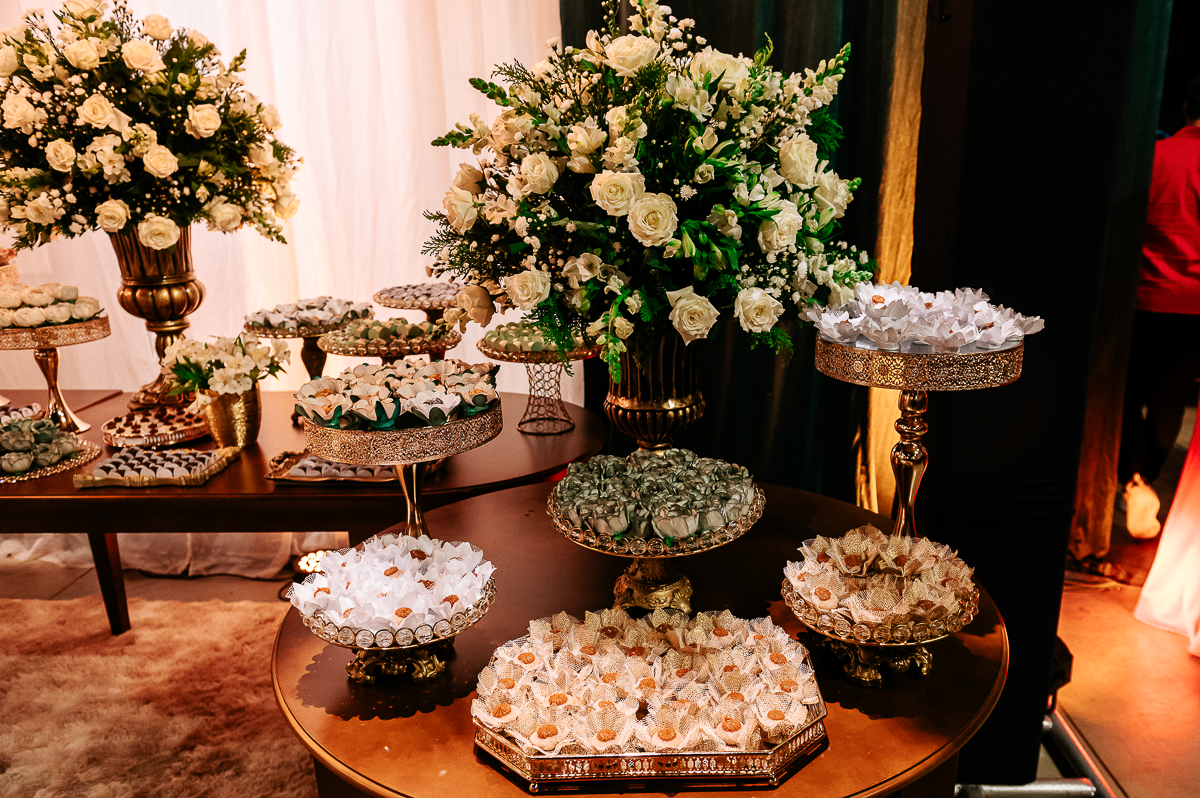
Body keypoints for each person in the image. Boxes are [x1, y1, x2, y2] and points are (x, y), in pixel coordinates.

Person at [1117, 76, 1200, 539]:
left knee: (1129, 395)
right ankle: (1145, 480)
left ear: (1185, 106)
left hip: (1145, 297)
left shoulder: (1157, 156)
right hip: (1195, 306)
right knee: (1171, 400)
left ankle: (1130, 479)